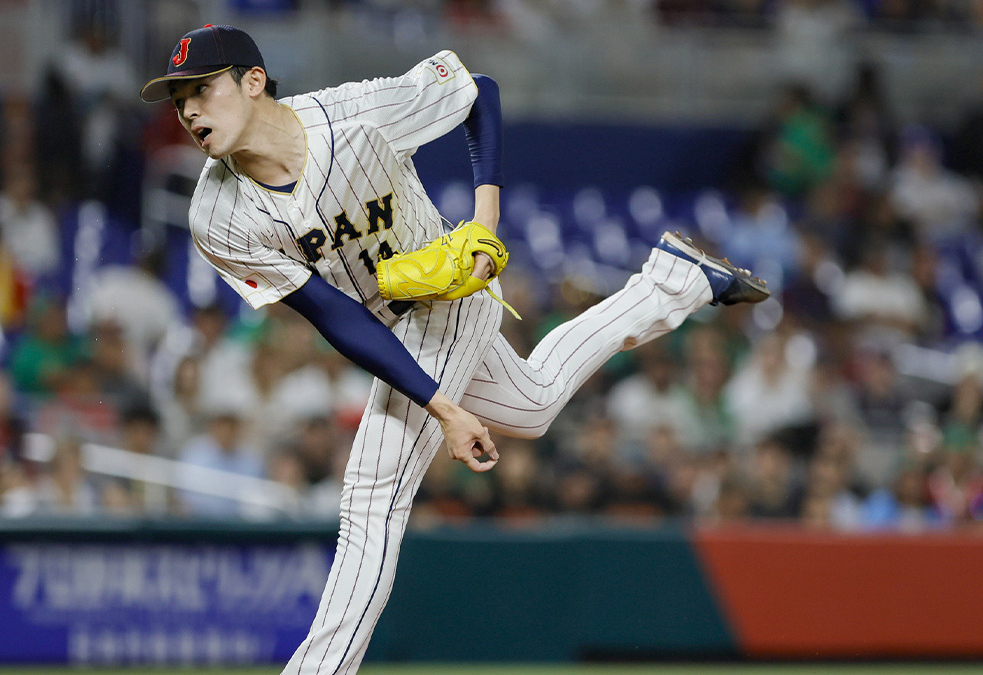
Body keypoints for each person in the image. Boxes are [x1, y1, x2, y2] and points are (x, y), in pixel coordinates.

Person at [140, 24, 768, 673]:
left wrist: (483, 225)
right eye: (178, 97)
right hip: (382, 319)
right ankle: (676, 281)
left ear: (252, 81)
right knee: (534, 402)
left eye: (201, 89)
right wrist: (443, 405)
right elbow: (334, 316)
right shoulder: (216, 215)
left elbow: (478, 93)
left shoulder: (355, 115)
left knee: (370, 495)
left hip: (446, 295)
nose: (187, 110)